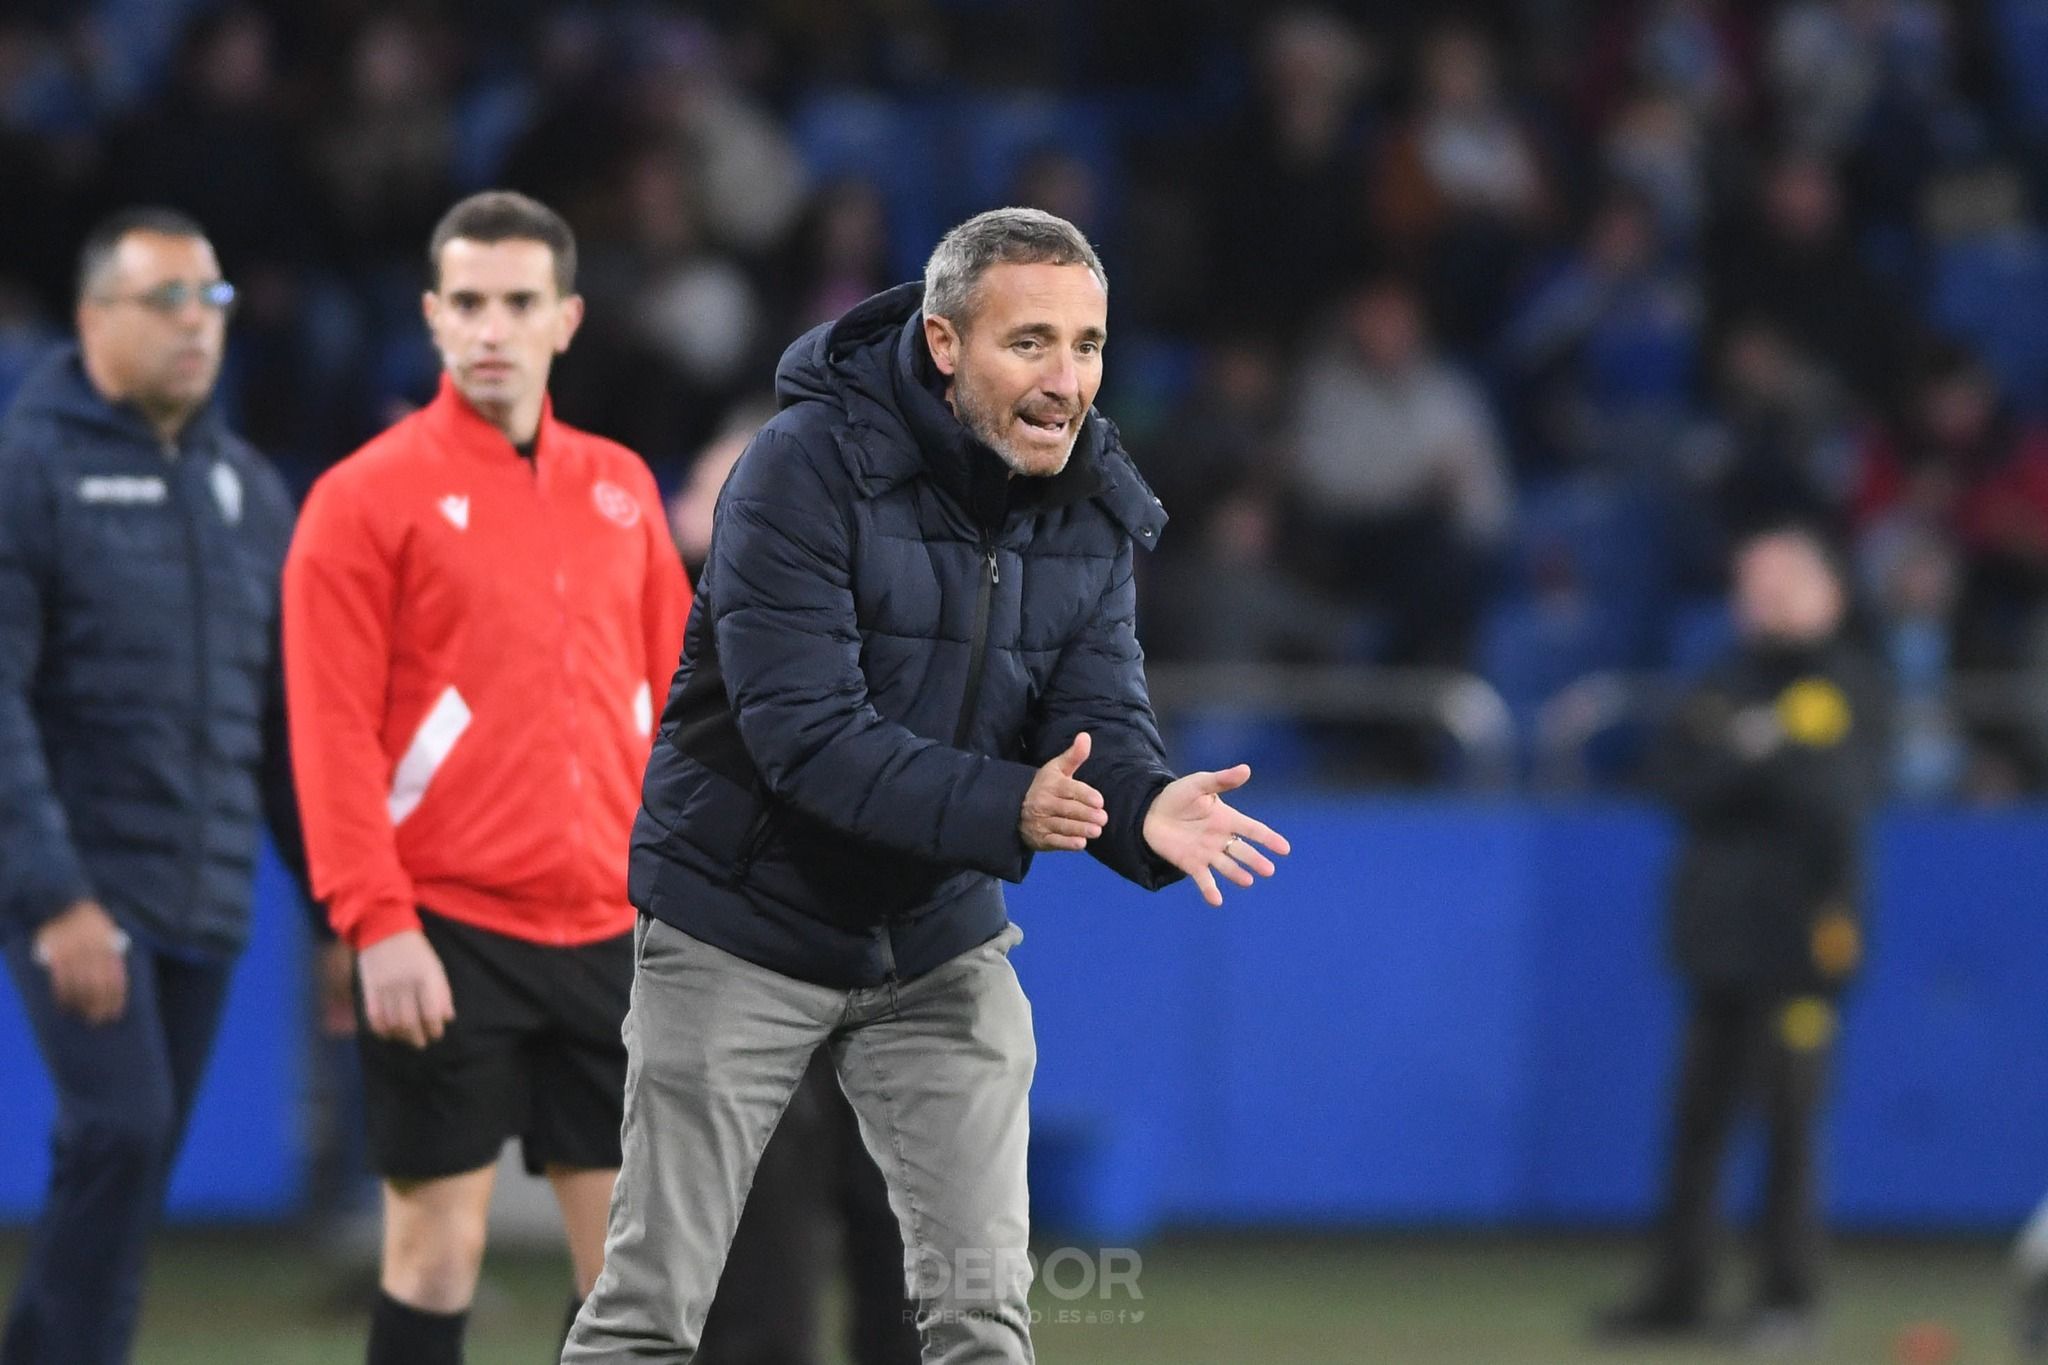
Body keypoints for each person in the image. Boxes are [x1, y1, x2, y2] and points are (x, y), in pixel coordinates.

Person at [565, 207, 1292, 1364]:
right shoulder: (797, 469)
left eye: (1089, 346)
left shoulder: (1090, 495)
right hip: (741, 920)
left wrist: (1143, 807)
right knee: (652, 1314)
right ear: (945, 346)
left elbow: (1093, 707)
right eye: (1031, 343)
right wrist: (1009, 806)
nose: (1067, 381)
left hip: (931, 935)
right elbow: (805, 738)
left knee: (977, 1317)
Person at [281, 190, 690, 1365]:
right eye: (468, 303)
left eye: (518, 303)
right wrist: (376, 921)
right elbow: (329, 731)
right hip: (442, 930)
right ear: (431, 317)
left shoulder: (621, 489)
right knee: (432, 1258)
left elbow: (680, 713)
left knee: (627, 1269)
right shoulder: (361, 499)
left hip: (614, 927)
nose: (492, 328)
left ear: (566, 318)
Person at [0, 207, 302, 1365]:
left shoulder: (247, 490)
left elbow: (280, 727)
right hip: (84, 885)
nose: (194, 324)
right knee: (121, 1132)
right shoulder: (31, 471)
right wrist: (55, 899)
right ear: (92, 321)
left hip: (206, 890)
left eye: (211, 299)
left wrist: (330, 914)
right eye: (164, 299)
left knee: (129, 1164)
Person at [1597, 526, 1889, 1351]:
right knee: (1696, 1119)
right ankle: (1677, 1291)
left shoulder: (1852, 680)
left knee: (1792, 1121)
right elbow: (1677, 781)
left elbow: (1833, 796)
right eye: (1750, 583)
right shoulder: (1723, 678)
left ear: (1825, 591)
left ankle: (1787, 1298)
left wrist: (1752, 757)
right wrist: (1764, 754)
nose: (1760, 599)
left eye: (1780, 582)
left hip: (1803, 942)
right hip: (1716, 938)